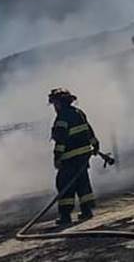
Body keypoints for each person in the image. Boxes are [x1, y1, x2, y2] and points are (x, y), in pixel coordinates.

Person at [48, 87, 98, 225]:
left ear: (59, 103)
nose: (54, 107)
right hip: (83, 157)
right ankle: (87, 211)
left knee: (64, 186)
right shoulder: (79, 113)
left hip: (69, 159)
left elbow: (60, 141)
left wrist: (57, 158)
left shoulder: (62, 118)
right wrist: (95, 145)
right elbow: (89, 130)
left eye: (55, 104)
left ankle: (65, 216)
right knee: (82, 183)